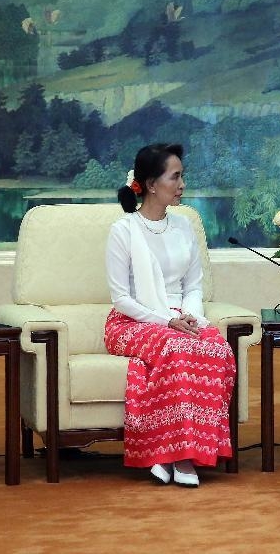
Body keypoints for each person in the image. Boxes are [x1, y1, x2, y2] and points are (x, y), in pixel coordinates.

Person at [104, 143, 236, 487]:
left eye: (182, 176)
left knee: (217, 349)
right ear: (150, 184)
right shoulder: (124, 230)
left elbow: (194, 285)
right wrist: (167, 322)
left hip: (181, 317)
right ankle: (180, 456)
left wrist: (189, 317)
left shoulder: (184, 227)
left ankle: (176, 453)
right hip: (134, 321)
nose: (182, 185)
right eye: (174, 177)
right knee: (175, 348)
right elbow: (120, 298)